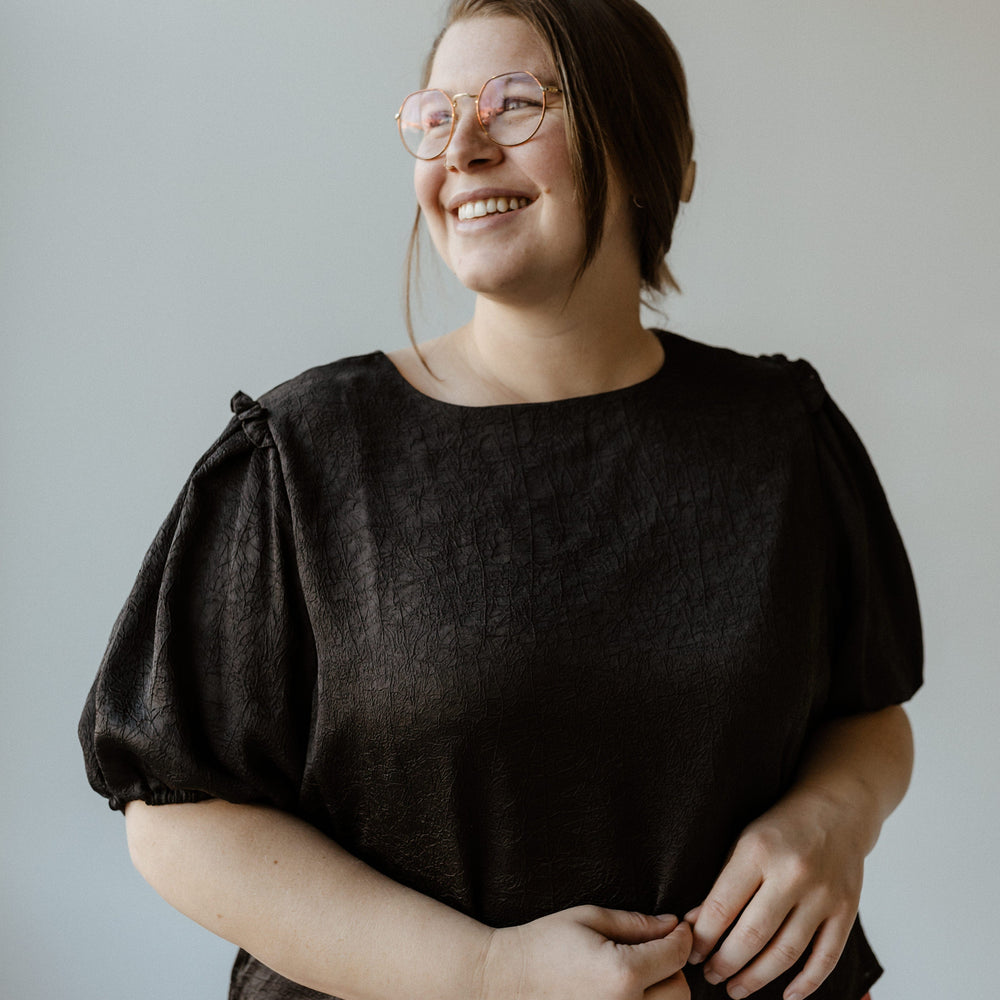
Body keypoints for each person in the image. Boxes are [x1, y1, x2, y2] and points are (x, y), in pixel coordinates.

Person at [79, 1, 922, 999]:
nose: (463, 148)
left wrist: (833, 816)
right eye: (434, 119)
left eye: (512, 103)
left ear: (643, 141)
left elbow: (867, 712)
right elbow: (173, 810)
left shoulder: (780, 431)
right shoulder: (299, 456)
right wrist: (483, 972)